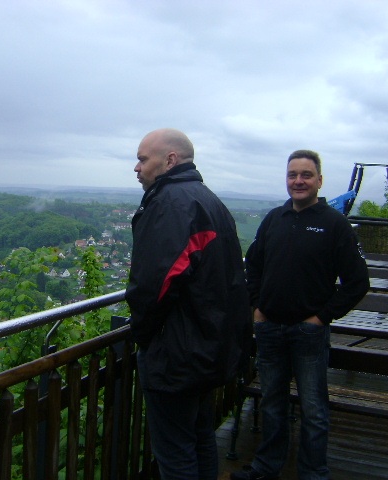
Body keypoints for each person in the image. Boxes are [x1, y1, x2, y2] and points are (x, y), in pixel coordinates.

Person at [232, 150, 369, 480]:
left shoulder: (335, 225)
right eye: (292, 174)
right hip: (270, 328)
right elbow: (253, 267)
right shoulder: (274, 219)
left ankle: (313, 473)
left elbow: (357, 282)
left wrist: (321, 318)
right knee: (272, 403)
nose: (298, 181)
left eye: (306, 175)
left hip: (309, 332)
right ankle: (267, 468)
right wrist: (257, 307)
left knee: (313, 408)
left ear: (319, 181)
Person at [125, 128, 251, 479]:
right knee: (199, 438)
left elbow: (156, 284)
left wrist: (143, 335)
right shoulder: (209, 201)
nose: (136, 168)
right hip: (208, 346)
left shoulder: (169, 204)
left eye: (142, 159)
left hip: (176, 353)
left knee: (175, 452)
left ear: (170, 160)